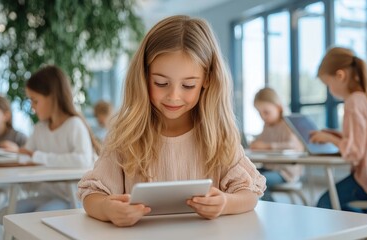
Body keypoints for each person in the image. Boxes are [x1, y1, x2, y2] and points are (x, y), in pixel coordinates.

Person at [78, 15, 266, 227]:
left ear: (207, 80)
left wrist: (225, 203)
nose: (173, 96)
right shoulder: (126, 134)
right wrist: (107, 209)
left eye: (188, 86)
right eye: (161, 83)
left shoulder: (218, 133)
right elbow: (92, 194)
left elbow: (249, 193)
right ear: (144, 77)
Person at [0, 65, 101, 222]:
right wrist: (23, 156)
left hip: (72, 197)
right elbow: (27, 156)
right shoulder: (40, 128)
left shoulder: (74, 124)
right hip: (47, 194)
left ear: (53, 97)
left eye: (35, 100)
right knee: (5, 214)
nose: (32, 107)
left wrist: (37, 156)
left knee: (38, 219)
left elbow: (83, 160)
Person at [311, 47, 367, 212]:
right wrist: (332, 134)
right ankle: (365, 231)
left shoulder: (353, 102)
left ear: (340, 76)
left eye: (328, 84)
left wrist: (329, 139)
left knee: (325, 204)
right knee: (345, 205)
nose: (329, 90)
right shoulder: (366, 98)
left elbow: (355, 152)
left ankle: (360, 229)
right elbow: (364, 139)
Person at [250, 87, 304, 202]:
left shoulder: (288, 124)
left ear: (278, 107)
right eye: (259, 113)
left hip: (285, 173)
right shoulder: (267, 126)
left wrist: (267, 146)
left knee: (259, 181)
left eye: (266, 112)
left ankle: (270, 208)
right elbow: (261, 142)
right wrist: (256, 144)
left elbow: (294, 146)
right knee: (247, 175)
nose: (263, 117)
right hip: (269, 168)